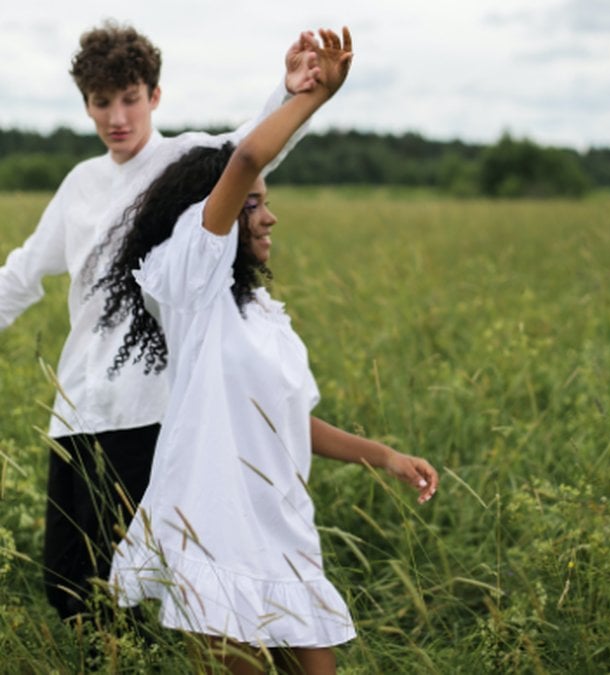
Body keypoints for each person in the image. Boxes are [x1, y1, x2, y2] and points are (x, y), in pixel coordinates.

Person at [96, 27, 439, 674]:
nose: (267, 216)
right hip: (213, 527)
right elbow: (246, 159)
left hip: (280, 524)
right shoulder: (185, 282)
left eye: (262, 206)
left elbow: (286, 421)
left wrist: (384, 456)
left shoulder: (255, 314)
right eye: (251, 207)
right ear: (209, 216)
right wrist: (315, 100)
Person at [0, 20, 320, 622]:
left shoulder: (183, 163)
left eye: (130, 98)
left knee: (121, 586)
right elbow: (19, 276)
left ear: (154, 96)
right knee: (65, 582)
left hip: (148, 408)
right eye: (102, 102)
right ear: (87, 105)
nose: (118, 115)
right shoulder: (80, 184)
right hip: (75, 409)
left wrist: (292, 91)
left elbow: (252, 146)